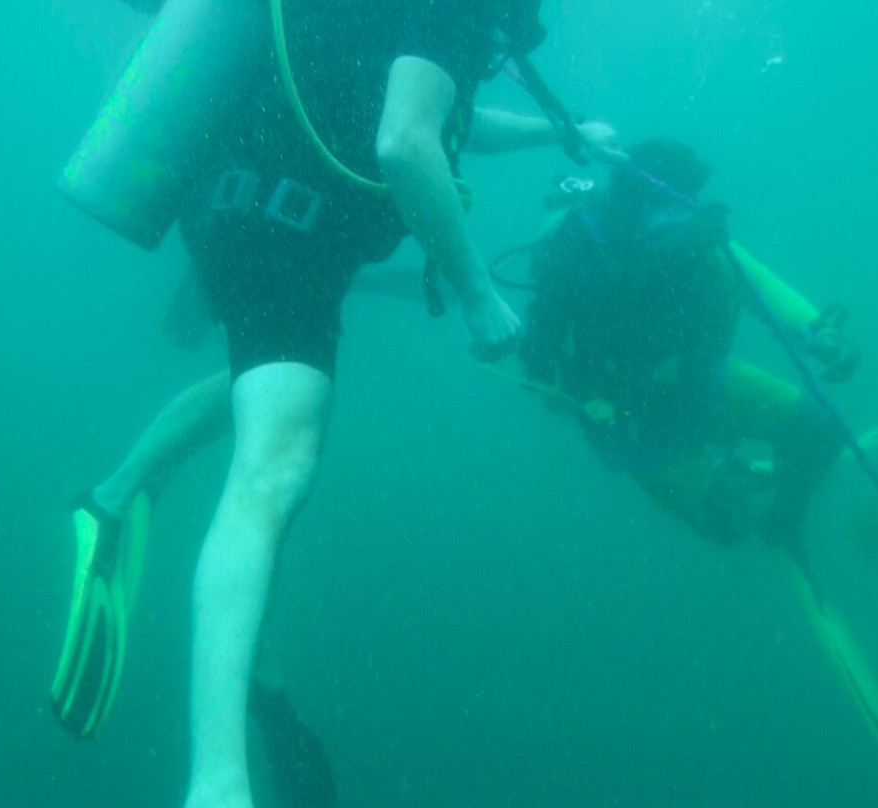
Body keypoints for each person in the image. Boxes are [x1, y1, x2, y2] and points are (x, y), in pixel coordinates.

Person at [51, 2, 623, 808]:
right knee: (276, 467)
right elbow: (408, 144)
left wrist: (561, 133)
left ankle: (125, 504)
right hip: (290, 221)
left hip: (240, 198)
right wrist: (478, 294)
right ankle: (217, 782)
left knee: (274, 391)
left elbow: (443, 112)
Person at [519, 138, 860, 570]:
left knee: (819, 431)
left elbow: (756, 282)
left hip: (704, 381)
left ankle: (782, 525)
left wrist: (819, 333)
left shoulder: (699, 237)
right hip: (633, 420)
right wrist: (558, 385)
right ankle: (731, 484)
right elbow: (546, 348)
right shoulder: (580, 247)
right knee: (730, 528)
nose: (681, 208)